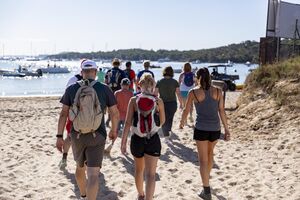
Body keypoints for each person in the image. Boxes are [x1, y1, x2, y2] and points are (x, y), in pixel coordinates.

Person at [56, 59, 119, 200]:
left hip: (77, 135)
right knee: (93, 174)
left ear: (82, 72)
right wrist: (114, 131)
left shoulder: (71, 89)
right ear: (95, 72)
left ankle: (83, 195)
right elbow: (115, 113)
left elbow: (63, 114)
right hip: (97, 135)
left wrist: (59, 136)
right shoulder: (104, 88)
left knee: (80, 168)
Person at [179, 67, 230, 200]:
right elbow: (222, 111)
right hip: (215, 129)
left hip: (201, 128)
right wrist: (227, 129)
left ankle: (206, 190)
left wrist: (182, 122)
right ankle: (206, 181)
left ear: (198, 77)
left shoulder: (193, 92)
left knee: (203, 159)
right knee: (210, 154)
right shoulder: (218, 91)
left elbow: (186, 109)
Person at [121, 73, 165, 200]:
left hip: (137, 139)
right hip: (153, 139)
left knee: (139, 170)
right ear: (153, 86)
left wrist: (123, 142)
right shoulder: (158, 101)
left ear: (139, 85)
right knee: (151, 174)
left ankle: (140, 194)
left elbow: (128, 123)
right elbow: (162, 121)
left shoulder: (134, 100)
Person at [58, 71, 83, 169]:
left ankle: (64, 158)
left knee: (69, 136)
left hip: (73, 113)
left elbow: (66, 97)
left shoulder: (73, 80)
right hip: (88, 115)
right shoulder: (94, 81)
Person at [155, 66, 183, 139]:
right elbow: (178, 94)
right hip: (173, 104)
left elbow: (155, 94)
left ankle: (166, 134)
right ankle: (168, 131)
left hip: (162, 104)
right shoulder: (174, 82)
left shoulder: (159, 81)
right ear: (172, 73)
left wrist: (155, 103)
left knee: (164, 119)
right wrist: (181, 104)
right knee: (170, 118)